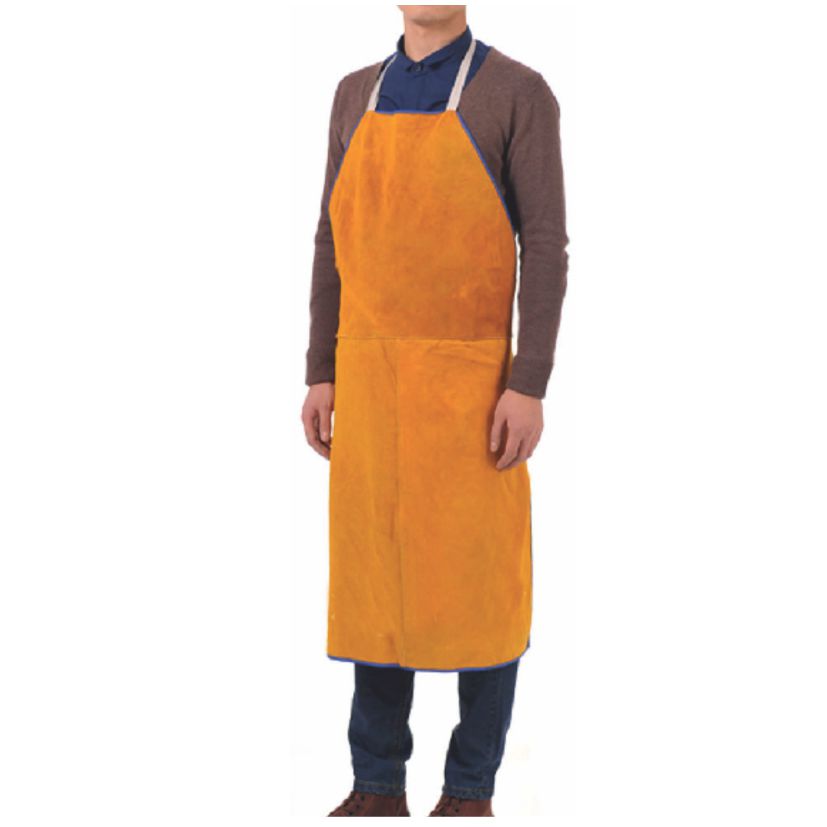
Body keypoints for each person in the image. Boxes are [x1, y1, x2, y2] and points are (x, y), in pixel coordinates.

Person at [301, 4, 568, 817]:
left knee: (480, 585)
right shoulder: (353, 93)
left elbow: (544, 243)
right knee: (377, 582)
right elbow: (330, 238)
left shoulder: (518, 93)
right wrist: (321, 370)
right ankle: (375, 782)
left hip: (471, 387)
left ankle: (468, 789)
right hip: (368, 378)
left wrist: (528, 381)